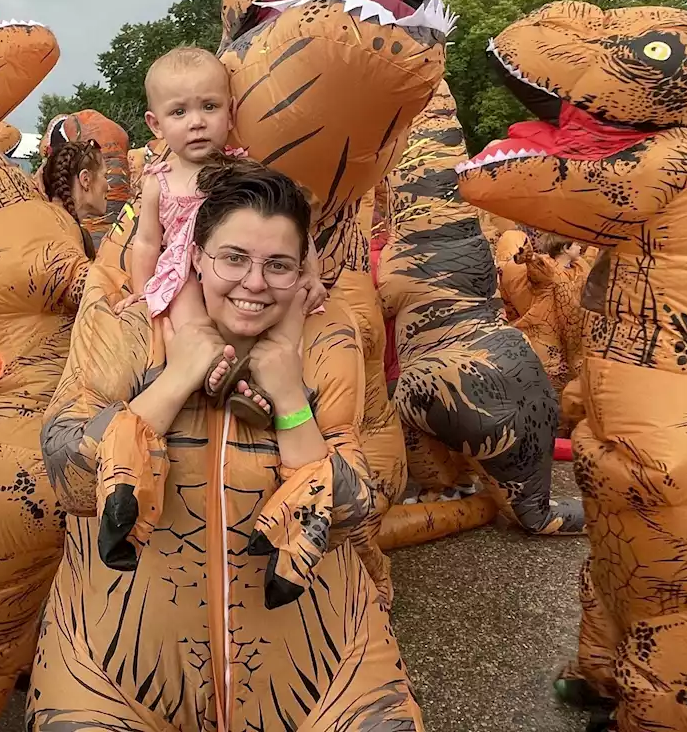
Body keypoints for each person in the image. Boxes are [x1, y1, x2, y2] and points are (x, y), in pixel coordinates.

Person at [34, 158, 423, 730]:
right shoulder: (128, 326)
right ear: (194, 255)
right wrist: (174, 381)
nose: (255, 283)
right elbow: (66, 471)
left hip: (321, 668)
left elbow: (355, 510)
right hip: (113, 664)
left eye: (278, 265)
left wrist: (291, 402)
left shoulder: (325, 335)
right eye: (234, 258)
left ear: (301, 270)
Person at [118, 46, 324, 423]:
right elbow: (147, 241)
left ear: (230, 111)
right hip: (186, 268)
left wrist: (311, 272)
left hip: (241, 263)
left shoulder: (243, 168)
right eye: (179, 112)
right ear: (156, 124)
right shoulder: (158, 182)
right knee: (185, 310)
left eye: (209, 107)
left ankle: (276, 373)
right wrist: (141, 288)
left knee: (296, 301)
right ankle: (212, 368)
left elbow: (289, 227)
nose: (196, 122)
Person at [38, 138, 109, 258]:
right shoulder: (65, 241)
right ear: (85, 179)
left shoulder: (47, 227)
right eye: (104, 176)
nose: (109, 187)